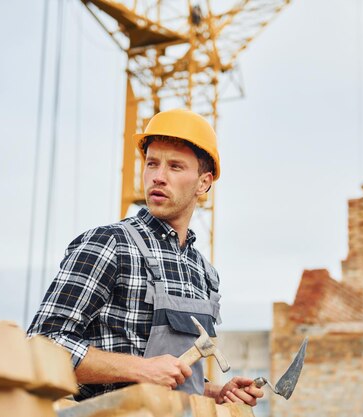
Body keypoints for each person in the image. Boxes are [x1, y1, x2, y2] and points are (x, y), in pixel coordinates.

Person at [27, 108, 263, 406]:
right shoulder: (109, 244)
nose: (159, 177)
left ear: (204, 183)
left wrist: (214, 391)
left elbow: (171, 376)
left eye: (175, 167)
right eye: (152, 164)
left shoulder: (204, 273)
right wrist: (142, 370)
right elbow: (42, 347)